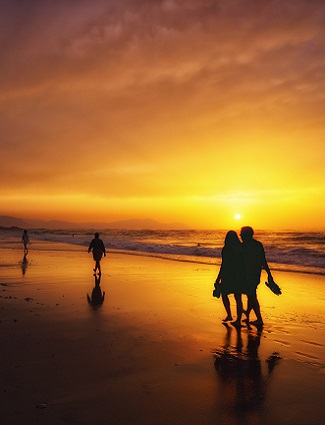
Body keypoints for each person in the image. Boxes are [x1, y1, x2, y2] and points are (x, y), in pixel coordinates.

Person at [240, 226, 274, 326]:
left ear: (245, 235)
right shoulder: (258, 245)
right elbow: (263, 260)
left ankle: (259, 319)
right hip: (255, 275)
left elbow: (240, 262)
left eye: (241, 234)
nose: (240, 235)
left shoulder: (244, 246)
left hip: (248, 275)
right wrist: (269, 274)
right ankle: (247, 314)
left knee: (252, 296)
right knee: (251, 295)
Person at [214, 230, 245, 326]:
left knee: (224, 294)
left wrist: (218, 278)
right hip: (238, 275)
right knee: (238, 297)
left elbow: (224, 264)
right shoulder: (241, 248)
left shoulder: (226, 249)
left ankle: (229, 315)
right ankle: (238, 320)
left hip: (228, 275)